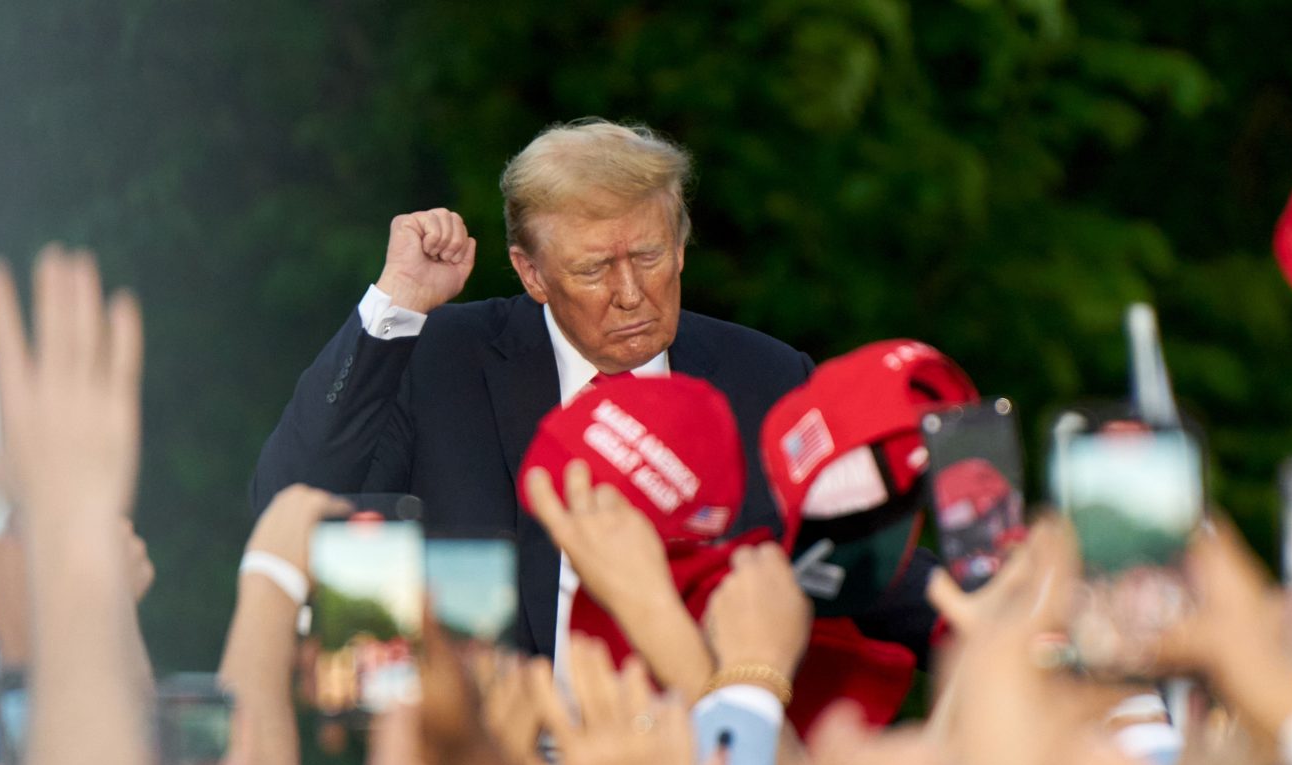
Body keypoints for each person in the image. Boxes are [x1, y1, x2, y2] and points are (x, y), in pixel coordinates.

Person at [252, 118, 938, 659]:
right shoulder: (445, 360)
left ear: (681, 242)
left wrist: (1008, 619)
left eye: (649, 255)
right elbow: (291, 502)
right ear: (531, 273)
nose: (631, 294)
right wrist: (395, 304)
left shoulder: (766, 378)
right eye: (592, 270)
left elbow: (863, 565)